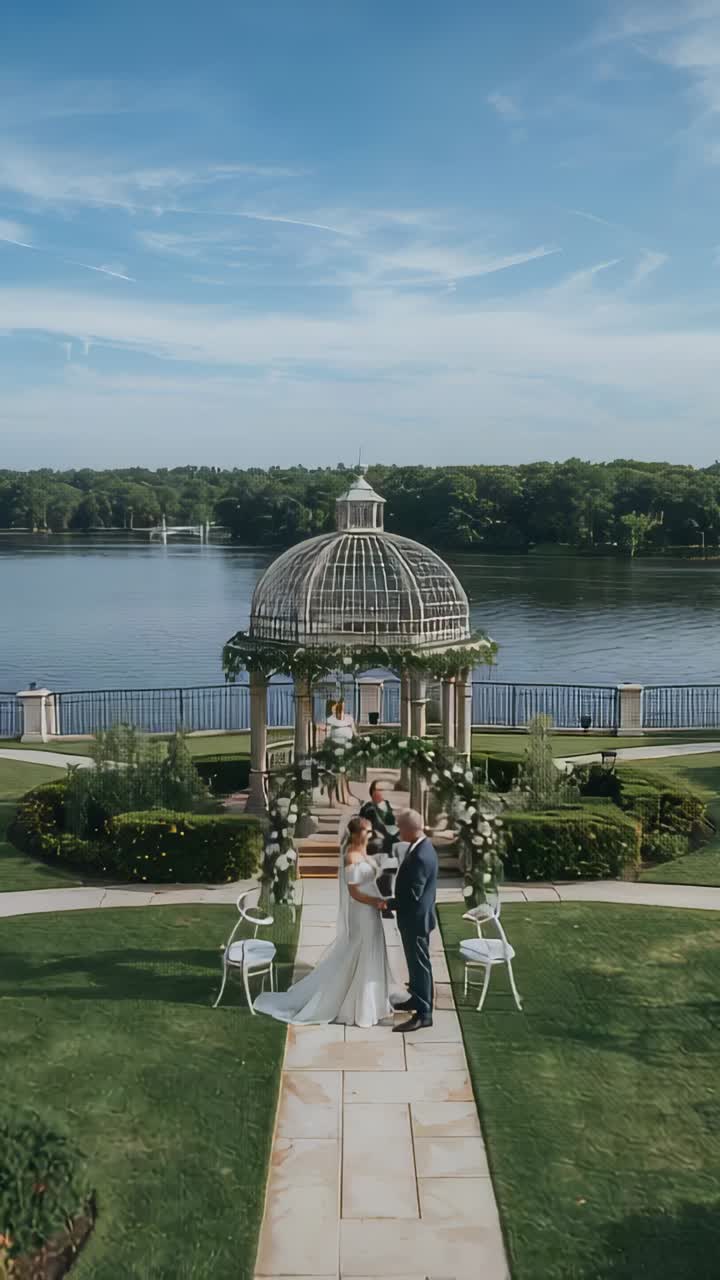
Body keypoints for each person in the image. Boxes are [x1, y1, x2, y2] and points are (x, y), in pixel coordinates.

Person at [254, 815, 393, 1028]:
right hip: (363, 911)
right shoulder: (350, 856)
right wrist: (376, 901)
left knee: (372, 950)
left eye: (370, 830)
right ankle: (358, 1008)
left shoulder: (363, 851)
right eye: (366, 830)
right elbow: (354, 892)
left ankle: (374, 1004)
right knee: (361, 950)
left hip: (371, 911)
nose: (370, 834)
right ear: (356, 833)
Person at [387, 808, 438, 1033]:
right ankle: (416, 999)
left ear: (410, 828)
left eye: (400, 827)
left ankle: (424, 1013)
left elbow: (412, 896)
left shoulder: (421, 855)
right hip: (416, 918)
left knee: (419, 965)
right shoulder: (420, 847)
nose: (398, 831)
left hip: (416, 920)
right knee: (415, 964)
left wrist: (389, 904)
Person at [360, 780, 399, 918]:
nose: (381, 793)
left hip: (387, 847)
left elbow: (392, 823)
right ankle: (378, 905)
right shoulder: (368, 808)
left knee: (387, 878)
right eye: (378, 790)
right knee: (378, 879)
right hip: (374, 848)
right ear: (372, 792)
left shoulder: (387, 805)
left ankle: (385, 906)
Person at [326, 698, 355, 805]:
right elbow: (327, 736)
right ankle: (332, 800)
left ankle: (344, 798)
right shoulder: (331, 721)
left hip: (346, 751)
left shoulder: (349, 720)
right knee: (333, 776)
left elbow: (354, 733)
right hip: (333, 751)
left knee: (345, 776)